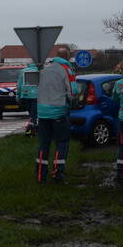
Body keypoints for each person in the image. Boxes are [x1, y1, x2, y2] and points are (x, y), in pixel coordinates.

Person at [35, 48, 76, 183]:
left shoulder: (45, 70)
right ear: (67, 57)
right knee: (62, 143)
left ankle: (40, 175)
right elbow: (73, 91)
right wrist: (72, 102)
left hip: (42, 113)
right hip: (58, 112)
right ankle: (57, 174)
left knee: (44, 144)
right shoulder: (66, 69)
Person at [16, 62, 40, 135]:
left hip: (25, 95)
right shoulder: (39, 71)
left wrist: (18, 95)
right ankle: (33, 126)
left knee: (31, 112)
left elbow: (19, 84)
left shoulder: (23, 71)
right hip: (36, 95)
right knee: (34, 112)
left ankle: (32, 126)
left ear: (28, 65)